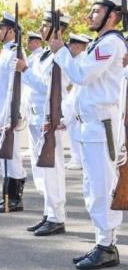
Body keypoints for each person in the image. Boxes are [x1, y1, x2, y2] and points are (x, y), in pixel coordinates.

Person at [50, 0, 126, 270]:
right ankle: (102, 241)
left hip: (101, 124)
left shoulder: (112, 44)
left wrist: (60, 51)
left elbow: (81, 75)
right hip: (89, 125)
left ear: (113, 15)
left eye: (96, 11)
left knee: (102, 187)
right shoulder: (99, 44)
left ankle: (107, 246)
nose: (90, 15)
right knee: (91, 187)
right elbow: (80, 71)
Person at [16, 12, 71, 236]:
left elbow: (48, 89)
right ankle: (49, 213)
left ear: (57, 30)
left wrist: (25, 71)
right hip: (36, 117)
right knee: (41, 171)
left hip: (49, 119)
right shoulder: (45, 55)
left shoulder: (61, 55)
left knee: (52, 171)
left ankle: (57, 217)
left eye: (45, 25)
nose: (40, 29)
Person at [0, 12, 28, 213]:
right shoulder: (5, 51)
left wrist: (13, 114)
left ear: (11, 31)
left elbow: (17, 87)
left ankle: (14, 198)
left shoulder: (15, 52)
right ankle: (6, 197)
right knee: (4, 157)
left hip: (8, 113)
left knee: (12, 156)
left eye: (1, 28)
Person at [62, 34, 91, 170]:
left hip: (78, 104)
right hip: (73, 103)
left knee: (76, 132)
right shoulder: (78, 59)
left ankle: (78, 158)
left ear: (79, 46)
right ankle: (76, 158)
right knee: (73, 132)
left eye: (71, 45)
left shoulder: (82, 60)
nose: (69, 48)